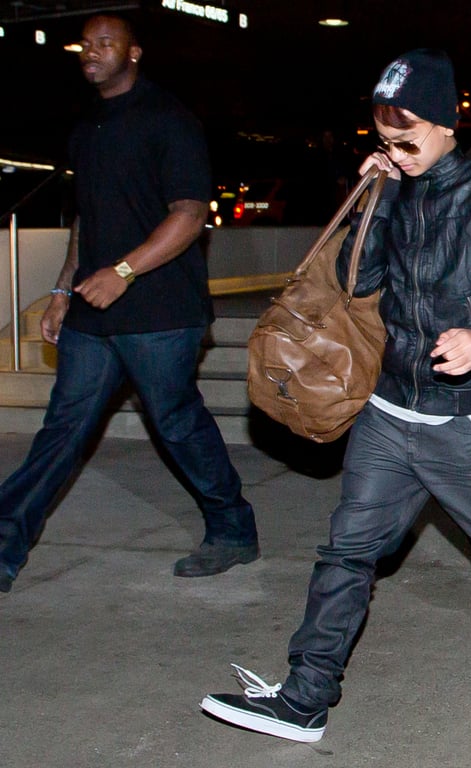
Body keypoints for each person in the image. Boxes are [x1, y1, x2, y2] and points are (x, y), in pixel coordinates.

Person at [201, 49, 471, 743]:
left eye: (407, 141)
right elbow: (358, 279)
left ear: (446, 125)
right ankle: (307, 695)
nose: (396, 154)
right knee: (347, 550)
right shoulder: (392, 187)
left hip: (459, 422)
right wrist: (369, 197)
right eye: (384, 142)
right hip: (386, 410)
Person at [0, 14, 259, 595]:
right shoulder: (88, 126)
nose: (91, 52)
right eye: (85, 44)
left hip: (161, 311)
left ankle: (233, 528)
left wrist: (122, 272)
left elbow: (189, 217)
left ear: (134, 53)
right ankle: (4, 544)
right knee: (62, 427)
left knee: (176, 422)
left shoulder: (169, 121)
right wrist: (65, 291)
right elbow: (87, 221)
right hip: (95, 310)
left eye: (105, 43)